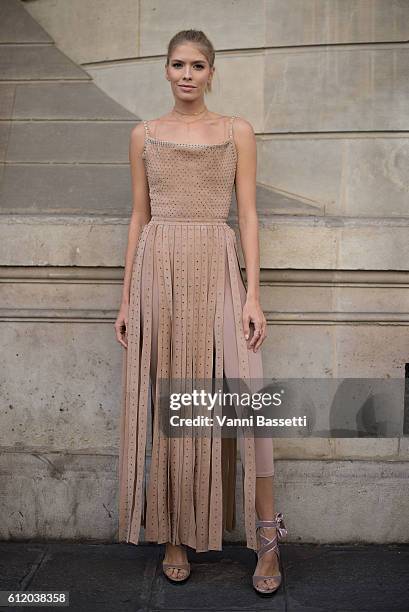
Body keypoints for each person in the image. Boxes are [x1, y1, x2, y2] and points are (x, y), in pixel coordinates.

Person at [114, 29, 287, 596]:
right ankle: (172, 533)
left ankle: (268, 539)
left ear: (213, 72)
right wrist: (125, 298)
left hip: (218, 262)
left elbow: (250, 214)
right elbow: (139, 217)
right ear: (165, 70)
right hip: (158, 269)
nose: (187, 74)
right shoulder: (144, 134)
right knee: (172, 397)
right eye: (177, 64)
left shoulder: (237, 131)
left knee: (247, 395)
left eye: (197, 65)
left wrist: (253, 294)